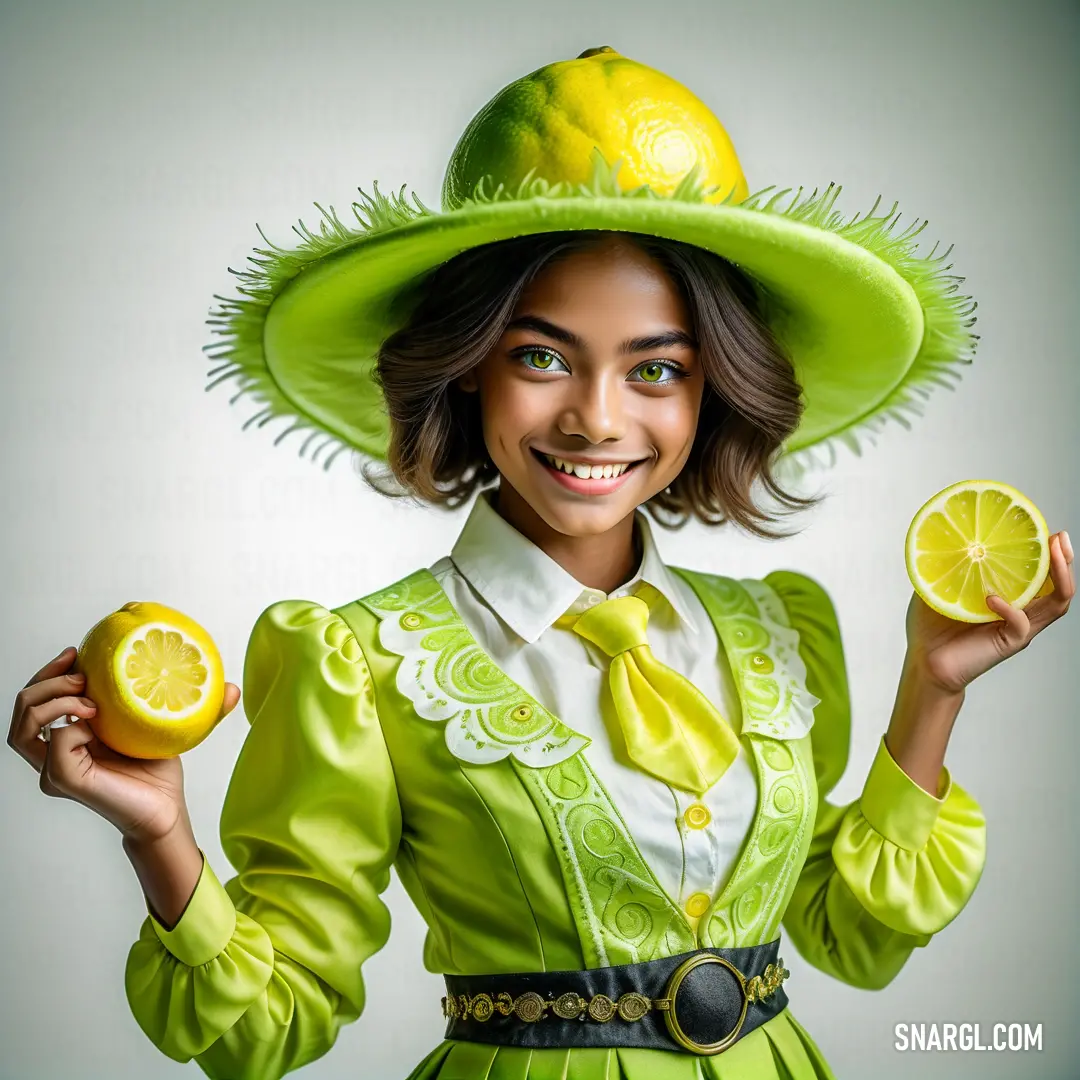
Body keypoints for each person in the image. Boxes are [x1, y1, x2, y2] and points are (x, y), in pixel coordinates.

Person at [8, 46, 1074, 1080]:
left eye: (657, 368)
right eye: (542, 356)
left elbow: (853, 937)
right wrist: (161, 836)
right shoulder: (359, 663)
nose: (598, 418)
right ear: (468, 367)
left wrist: (932, 689)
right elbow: (264, 1035)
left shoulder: (779, 632)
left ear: (715, 393)